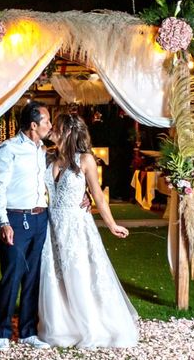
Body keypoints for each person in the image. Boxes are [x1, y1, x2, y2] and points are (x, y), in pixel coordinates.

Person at [38, 113, 139, 348]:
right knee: (55, 277)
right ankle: (61, 327)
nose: (52, 129)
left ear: (68, 131)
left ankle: (89, 327)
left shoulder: (86, 160)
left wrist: (112, 224)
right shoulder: (47, 156)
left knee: (79, 274)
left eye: (57, 126)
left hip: (76, 227)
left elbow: (98, 197)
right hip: (51, 226)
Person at [0, 100, 53, 351]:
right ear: (33, 125)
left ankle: (27, 331)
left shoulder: (43, 150)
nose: (50, 125)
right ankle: (3, 332)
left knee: (33, 277)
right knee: (12, 276)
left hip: (40, 218)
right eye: (47, 121)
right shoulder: (9, 149)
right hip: (16, 218)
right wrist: (3, 222)